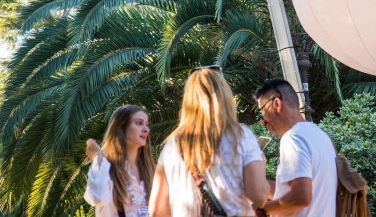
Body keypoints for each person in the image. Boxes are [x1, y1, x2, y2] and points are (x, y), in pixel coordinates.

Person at [149, 66, 269, 216]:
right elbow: (258, 197)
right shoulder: (241, 135)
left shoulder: (171, 145)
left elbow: (157, 210)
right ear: (225, 96)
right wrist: (260, 167)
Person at [254, 79, 337, 217]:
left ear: (276, 104)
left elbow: (301, 197)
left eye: (262, 112)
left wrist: (262, 210)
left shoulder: (293, 138)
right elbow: (292, 192)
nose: (263, 121)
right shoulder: (320, 135)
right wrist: (257, 185)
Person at [84, 104, 155, 217]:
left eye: (146, 124)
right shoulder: (106, 165)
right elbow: (97, 197)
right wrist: (98, 156)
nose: (146, 129)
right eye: (139, 123)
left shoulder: (148, 170)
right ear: (122, 127)